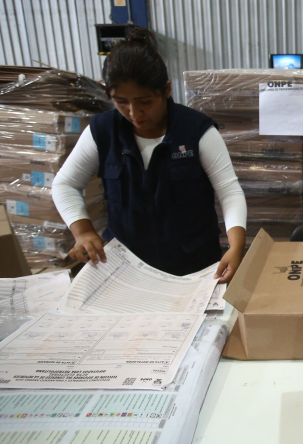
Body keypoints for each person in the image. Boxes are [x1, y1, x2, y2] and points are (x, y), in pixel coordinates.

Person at [52, 28, 247, 280]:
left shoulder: (196, 131)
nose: (134, 113)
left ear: (166, 90)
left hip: (193, 265)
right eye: (122, 102)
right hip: (124, 266)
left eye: (144, 102)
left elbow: (229, 191)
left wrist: (236, 247)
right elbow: (65, 184)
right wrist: (83, 231)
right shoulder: (102, 131)